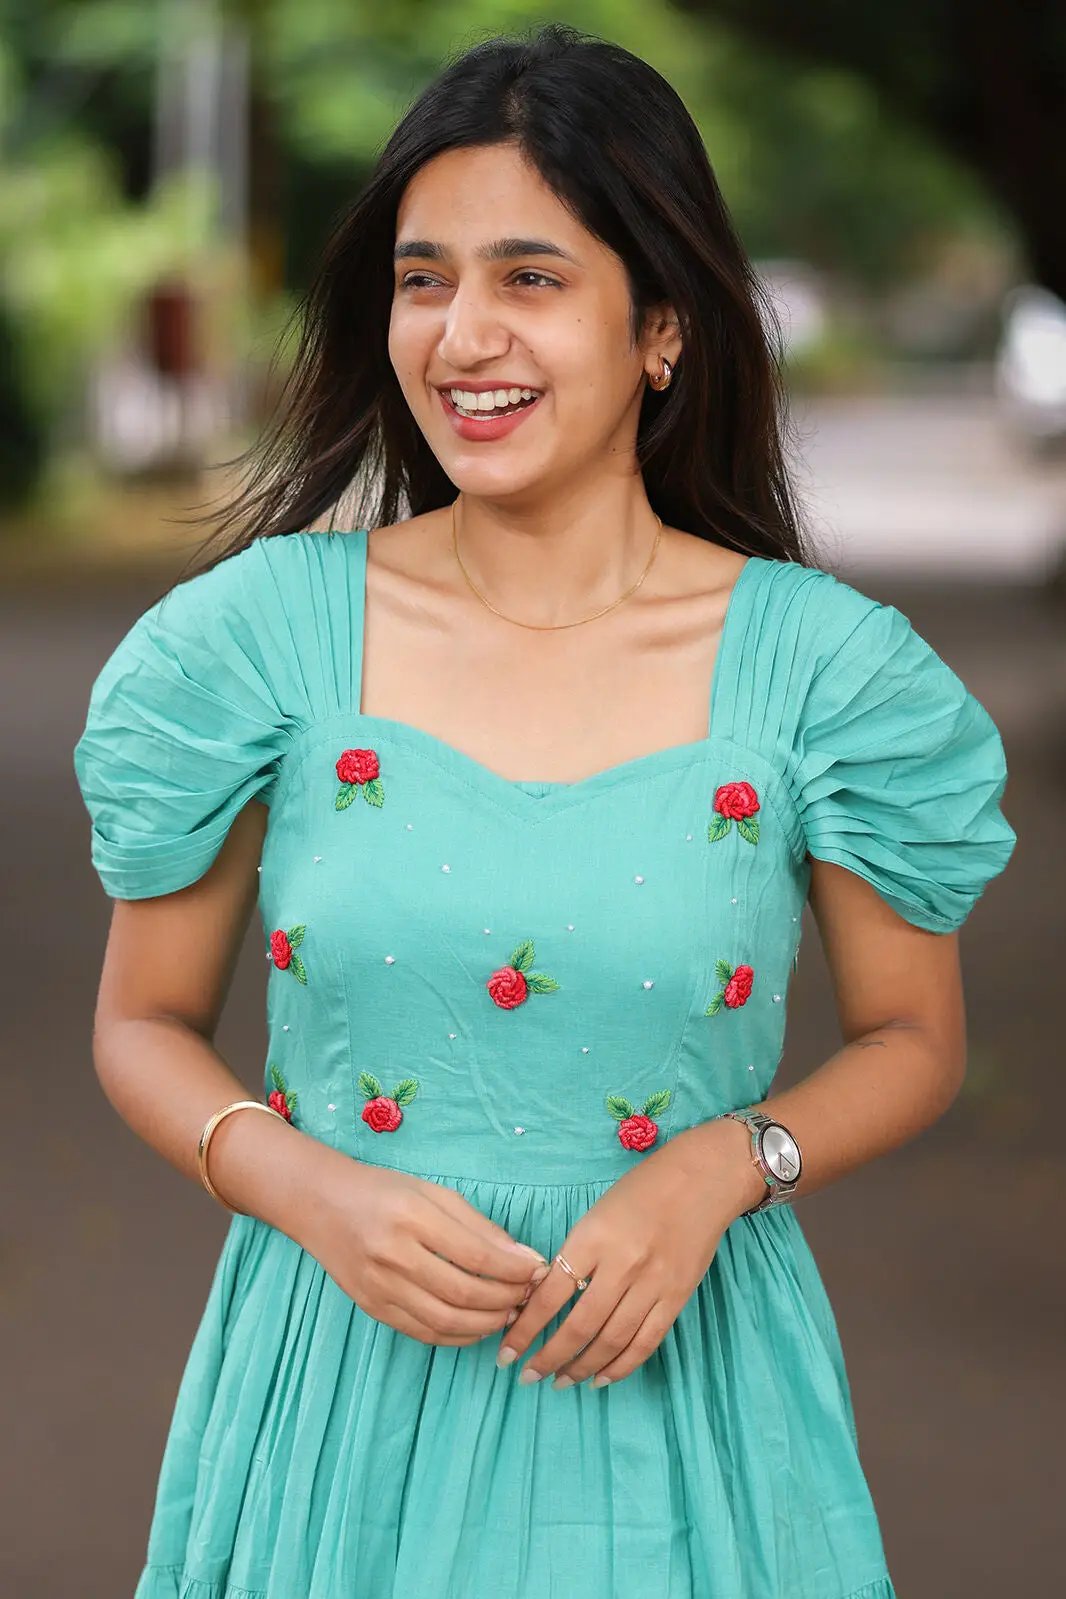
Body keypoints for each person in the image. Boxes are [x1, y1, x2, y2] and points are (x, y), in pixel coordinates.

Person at [72, 23, 1017, 1599]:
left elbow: (913, 1040)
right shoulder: (254, 641)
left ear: (660, 327)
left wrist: (723, 1165)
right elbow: (141, 1024)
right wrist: (311, 1189)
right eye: (422, 278)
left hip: (687, 1397)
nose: (461, 336)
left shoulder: (825, 675)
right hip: (337, 1403)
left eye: (529, 277)